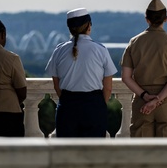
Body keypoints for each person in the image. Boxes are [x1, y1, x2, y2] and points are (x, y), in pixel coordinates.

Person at [45, 7, 117, 138]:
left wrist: (69, 100)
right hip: (93, 105)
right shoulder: (100, 50)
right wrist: (98, 105)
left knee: (66, 153)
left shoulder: (58, 51)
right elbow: (108, 87)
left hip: (67, 106)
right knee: (93, 153)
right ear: (89, 26)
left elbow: (57, 85)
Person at [120, 0, 167, 137]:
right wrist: (157, 99)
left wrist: (144, 96)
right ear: (166, 18)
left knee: (142, 153)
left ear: (146, 19)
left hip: (141, 101)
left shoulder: (134, 42)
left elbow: (126, 77)